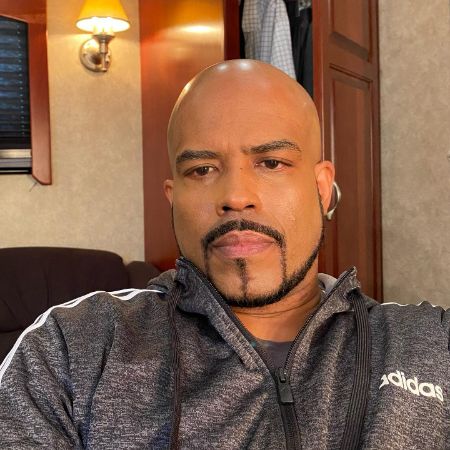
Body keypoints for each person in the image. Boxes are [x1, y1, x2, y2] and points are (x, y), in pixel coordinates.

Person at [0, 60, 448, 450]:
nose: (235, 196)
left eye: (271, 162)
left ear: (322, 187)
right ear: (173, 198)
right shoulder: (69, 349)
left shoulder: (430, 344)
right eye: (202, 169)